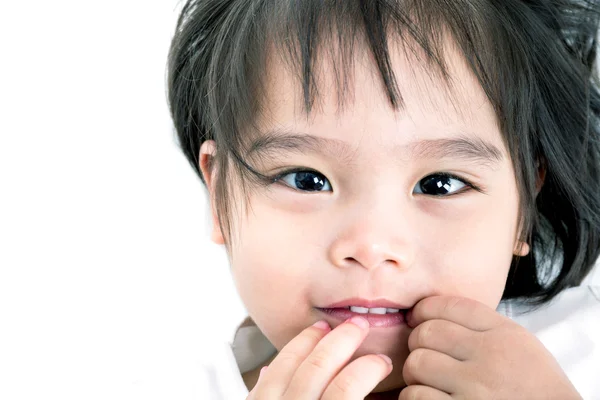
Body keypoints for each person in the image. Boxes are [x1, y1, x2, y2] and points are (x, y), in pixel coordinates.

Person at [167, 0, 600, 398]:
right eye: (307, 180)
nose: (372, 247)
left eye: (440, 184)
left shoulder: (584, 356)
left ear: (524, 205)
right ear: (221, 196)